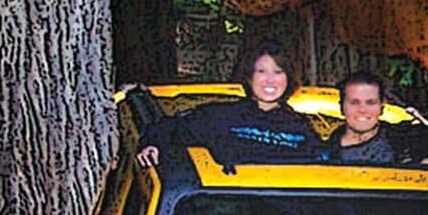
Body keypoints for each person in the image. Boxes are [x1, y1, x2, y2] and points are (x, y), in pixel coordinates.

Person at [136, 40, 320, 167]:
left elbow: (326, 161)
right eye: (261, 71)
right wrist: (152, 144)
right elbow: (169, 128)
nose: (270, 80)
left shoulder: (301, 128)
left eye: (278, 72)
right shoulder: (221, 116)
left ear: (289, 78)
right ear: (248, 76)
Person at [325, 70, 428, 166]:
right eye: (354, 102)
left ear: (382, 107)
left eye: (370, 102)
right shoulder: (321, 152)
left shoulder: (404, 138)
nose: (362, 110)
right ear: (341, 107)